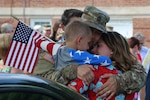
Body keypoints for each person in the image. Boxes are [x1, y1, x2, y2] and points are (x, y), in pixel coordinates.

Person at [35, 5, 146, 100]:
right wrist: (73, 70)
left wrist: (120, 82)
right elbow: (40, 82)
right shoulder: (55, 52)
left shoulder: (102, 52)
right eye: (90, 30)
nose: (93, 36)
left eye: (98, 32)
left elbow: (140, 73)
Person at [68, 31, 136, 100]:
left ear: (112, 49)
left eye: (98, 45)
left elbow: (70, 91)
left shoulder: (94, 70)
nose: (93, 50)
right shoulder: (131, 78)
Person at [33, 8, 83, 76]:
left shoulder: (94, 50)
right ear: (63, 27)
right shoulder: (53, 51)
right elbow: (42, 79)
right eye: (74, 26)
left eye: (84, 26)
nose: (81, 30)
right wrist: (74, 70)